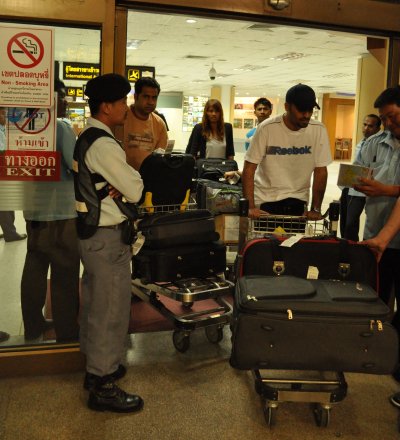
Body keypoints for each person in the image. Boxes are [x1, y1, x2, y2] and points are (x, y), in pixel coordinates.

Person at [75, 73, 144, 413]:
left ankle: (96, 368)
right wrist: (130, 182)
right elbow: (135, 188)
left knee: (95, 304)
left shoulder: (86, 137)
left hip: (93, 238)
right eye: (121, 103)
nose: (125, 108)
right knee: (110, 311)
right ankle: (103, 384)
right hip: (106, 238)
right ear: (106, 106)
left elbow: (120, 184)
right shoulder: (103, 144)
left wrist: (120, 182)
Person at [20, 79, 80, 342]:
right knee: (64, 274)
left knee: (34, 266)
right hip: (61, 213)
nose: (65, 101)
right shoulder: (61, 127)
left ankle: (33, 326)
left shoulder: (22, 125)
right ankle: (67, 332)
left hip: (33, 210)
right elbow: (75, 164)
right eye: (62, 96)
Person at [242, 83, 331, 219]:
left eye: (310, 110)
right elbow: (249, 168)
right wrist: (250, 206)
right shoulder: (267, 128)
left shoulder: (318, 130)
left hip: (298, 203)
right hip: (266, 202)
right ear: (287, 107)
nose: (306, 115)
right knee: (266, 240)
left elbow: (321, 171)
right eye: (301, 110)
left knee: (294, 241)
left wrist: (315, 208)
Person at [339, 114, 381, 241]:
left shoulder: (377, 145)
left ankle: (352, 250)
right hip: (349, 186)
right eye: (365, 124)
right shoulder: (361, 142)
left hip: (361, 190)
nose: (366, 128)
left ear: (378, 128)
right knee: (344, 221)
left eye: (370, 126)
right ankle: (346, 248)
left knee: (350, 223)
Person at [123, 77, 168, 167]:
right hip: (122, 176)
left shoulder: (160, 124)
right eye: (146, 97)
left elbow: (159, 158)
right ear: (136, 97)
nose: (150, 102)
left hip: (148, 178)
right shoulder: (122, 117)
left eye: (154, 98)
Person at [0, 107, 27, 243]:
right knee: (6, 203)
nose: (6, 116)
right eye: (3, 113)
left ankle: (7, 230)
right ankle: (10, 233)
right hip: (2, 170)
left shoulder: (3, 129)